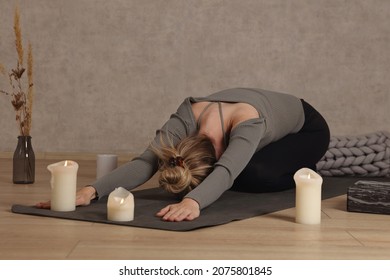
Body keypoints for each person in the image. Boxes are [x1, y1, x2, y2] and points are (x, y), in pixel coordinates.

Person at [37, 88, 330, 222]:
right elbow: (145, 162)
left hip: (307, 130)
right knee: (243, 169)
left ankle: (306, 167)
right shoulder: (186, 117)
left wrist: (193, 201)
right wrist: (90, 191)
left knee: (251, 173)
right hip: (271, 131)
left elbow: (226, 172)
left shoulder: (246, 121)